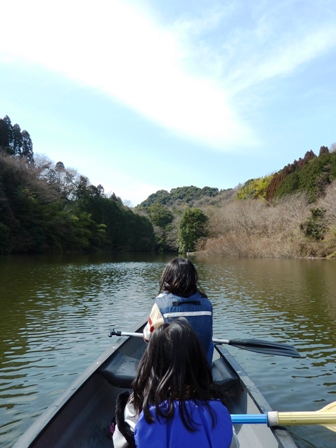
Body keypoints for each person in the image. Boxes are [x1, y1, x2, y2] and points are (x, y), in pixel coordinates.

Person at [112, 319, 239, 448]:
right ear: (198, 362)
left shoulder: (137, 405)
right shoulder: (216, 410)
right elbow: (232, 443)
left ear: (150, 363)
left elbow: (120, 444)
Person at [143, 258, 214, 365]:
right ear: (193, 278)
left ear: (168, 277)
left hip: (171, 370)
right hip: (202, 370)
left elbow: (148, 336)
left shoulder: (161, 305)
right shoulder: (207, 304)